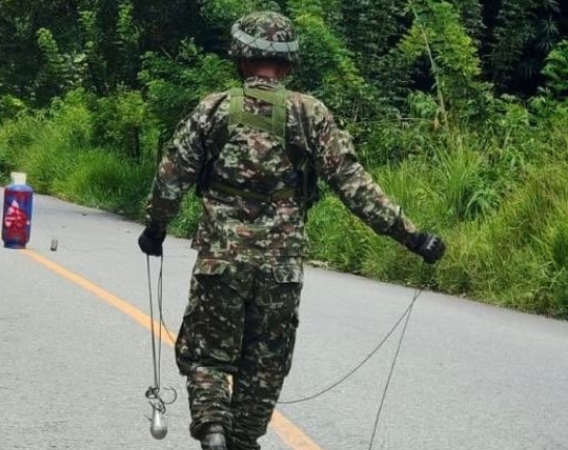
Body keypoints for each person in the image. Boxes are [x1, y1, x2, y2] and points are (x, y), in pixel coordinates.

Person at [136, 11, 446, 450]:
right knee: (265, 364)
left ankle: (212, 428)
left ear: (241, 59)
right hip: (280, 271)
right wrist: (412, 236)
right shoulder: (309, 114)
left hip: (220, 263)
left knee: (206, 352)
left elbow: (171, 177)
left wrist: (156, 227)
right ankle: (241, 439)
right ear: (288, 64)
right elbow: (354, 185)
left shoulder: (215, 109)